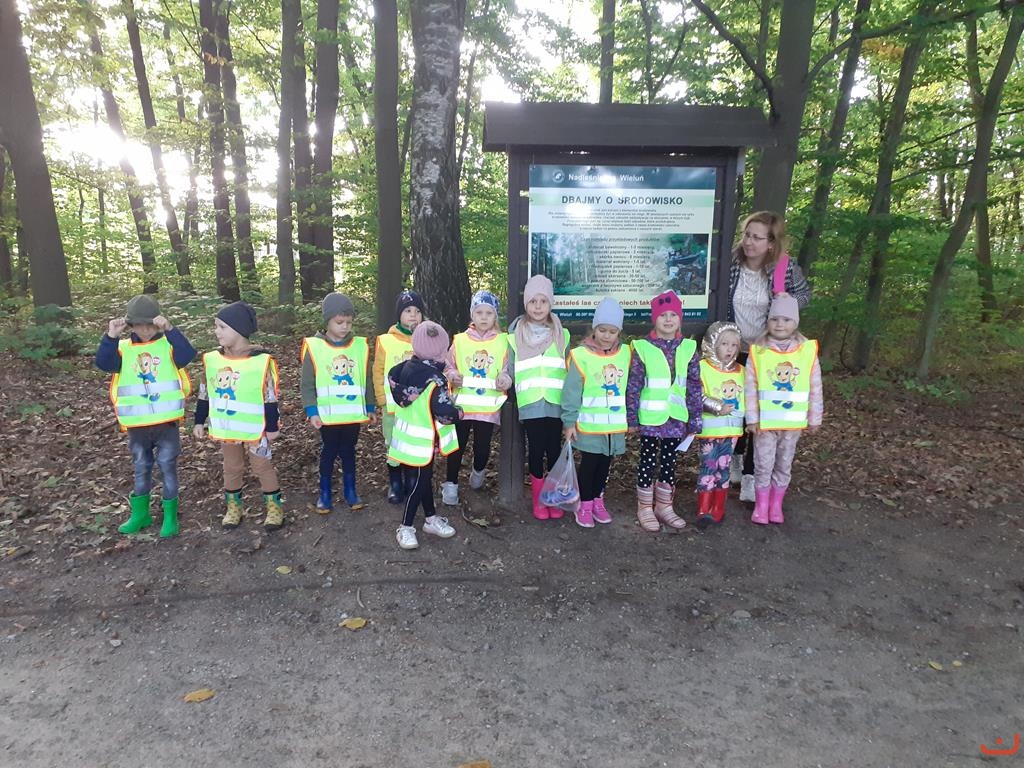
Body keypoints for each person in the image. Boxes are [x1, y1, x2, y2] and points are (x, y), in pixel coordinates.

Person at [728, 211, 812, 502]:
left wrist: (789, 300)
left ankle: (751, 475)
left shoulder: (784, 268)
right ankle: (735, 459)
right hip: (733, 350)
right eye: (746, 235)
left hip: (767, 352)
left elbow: (805, 295)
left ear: (771, 243)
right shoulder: (731, 263)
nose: (749, 242)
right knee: (737, 408)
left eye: (757, 237)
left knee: (760, 414)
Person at [96, 295, 195, 538]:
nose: (146, 330)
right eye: (140, 325)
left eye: (150, 325)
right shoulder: (123, 348)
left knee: (167, 467)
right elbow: (104, 363)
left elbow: (187, 355)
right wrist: (111, 336)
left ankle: (170, 517)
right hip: (137, 424)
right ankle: (140, 514)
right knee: (141, 467)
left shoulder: (168, 345)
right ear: (131, 325)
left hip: (166, 422)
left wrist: (170, 329)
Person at [193, 302, 285, 531]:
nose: (216, 331)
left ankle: (274, 508)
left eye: (222, 327)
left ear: (239, 329)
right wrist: (199, 420)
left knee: (262, 466)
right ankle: (234, 508)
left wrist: (272, 426)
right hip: (228, 427)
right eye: (216, 326)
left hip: (256, 429)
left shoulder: (261, 361)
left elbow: (269, 397)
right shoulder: (213, 360)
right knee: (232, 467)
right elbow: (205, 393)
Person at [625, 290, 702, 533]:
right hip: (650, 418)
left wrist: (695, 418)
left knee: (669, 462)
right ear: (654, 319)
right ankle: (645, 507)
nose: (668, 320)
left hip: (676, 419)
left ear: (680, 319)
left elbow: (694, 386)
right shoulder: (642, 348)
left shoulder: (689, 348)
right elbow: (634, 385)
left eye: (673, 315)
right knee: (647, 462)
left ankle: (664, 506)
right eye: (662, 315)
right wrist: (631, 418)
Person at [744, 294, 823, 525]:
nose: (780, 324)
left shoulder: (806, 352)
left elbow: (815, 386)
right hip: (765, 424)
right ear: (767, 321)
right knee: (763, 463)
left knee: (784, 463)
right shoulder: (758, 351)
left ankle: (776, 505)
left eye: (786, 319)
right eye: (775, 319)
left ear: (795, 322)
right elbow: (750, 387)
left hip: (792, 423)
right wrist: (752, 418)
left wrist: (815, 417)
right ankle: (761, 505)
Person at [300, 292, 376, 514]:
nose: (344, 327)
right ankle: (324, 493)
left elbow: (366, 378)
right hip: (327, 416)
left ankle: (350, 490)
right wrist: (312, 410)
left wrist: (370, 406)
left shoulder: (358, 347)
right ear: (328, 321)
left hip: (352, 415)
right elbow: (307, 383)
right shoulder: (314, 347)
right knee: (329, 451)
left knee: (349, 450)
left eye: (349, 322)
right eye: (339, 322)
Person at [388, 321, 461, 550]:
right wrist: (459, 411)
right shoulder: (435, 379)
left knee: (422, 479)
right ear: (440, 351)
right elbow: (445, 414)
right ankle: (406, 527)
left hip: (406, 440)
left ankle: (430, 518)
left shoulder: (402, 370)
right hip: (423, 443)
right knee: (418, 483)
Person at [561, 298, 630, 528]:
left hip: (613, 428)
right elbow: (571, 392)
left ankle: (598, 499)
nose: (606, 336)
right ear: (594, 328)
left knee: (604, 466)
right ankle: (585, 503)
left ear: (619, 331)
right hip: (589, 426)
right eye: (602, 330)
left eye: (612, 331)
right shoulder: (581, 355)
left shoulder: (626, 354)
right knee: (589, 465)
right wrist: (569, 422)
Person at [506, 275, 570, 520]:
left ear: (550, 303)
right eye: (533, 301)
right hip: (531, 403)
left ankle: (552, 497)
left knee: (554, 451)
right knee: (535, 450)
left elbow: (569, 368)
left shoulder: (562, 334)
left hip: (555, 403)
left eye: (543, 301)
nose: (538, 306)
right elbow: (510, 368)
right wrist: (504, 379)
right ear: (526, 304)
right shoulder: (515, 335)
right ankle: (538, 501)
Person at [442, 290, 511, 519]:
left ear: (495, 316)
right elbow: (448, 365)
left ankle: (478, 474)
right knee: (457, 446)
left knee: (483, 446)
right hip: (462, 406)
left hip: (487, 407)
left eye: (489, 313)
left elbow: (507, 368)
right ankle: (451, 484)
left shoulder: (503, 341)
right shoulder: (460, 340)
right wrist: (452, 375)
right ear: (472, 314)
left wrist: (505, 379)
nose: (483, 317)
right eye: (479, 312)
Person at [374, 289, 425, 505]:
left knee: (413, 442)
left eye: (417, 311)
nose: (413, 315)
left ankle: (412, 479)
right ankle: (395, 482)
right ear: (399, 315)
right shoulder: (386, 340)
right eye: (407, 310)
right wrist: (381, 399)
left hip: (418, 407)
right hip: (392, 406)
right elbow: (378, 370)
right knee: (393, 443)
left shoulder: (426, 339)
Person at [694, 321, 745, 529]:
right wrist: (716, 406)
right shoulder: (702, 368)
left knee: (724, 469)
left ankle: (718, 508)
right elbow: (694, 395)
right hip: (709, 431)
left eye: (734, 345)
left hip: (731, 432)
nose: (729, 349)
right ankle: (703, 509)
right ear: (713, 344)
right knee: (708, 467)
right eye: (724, 344)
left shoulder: (742, 371)